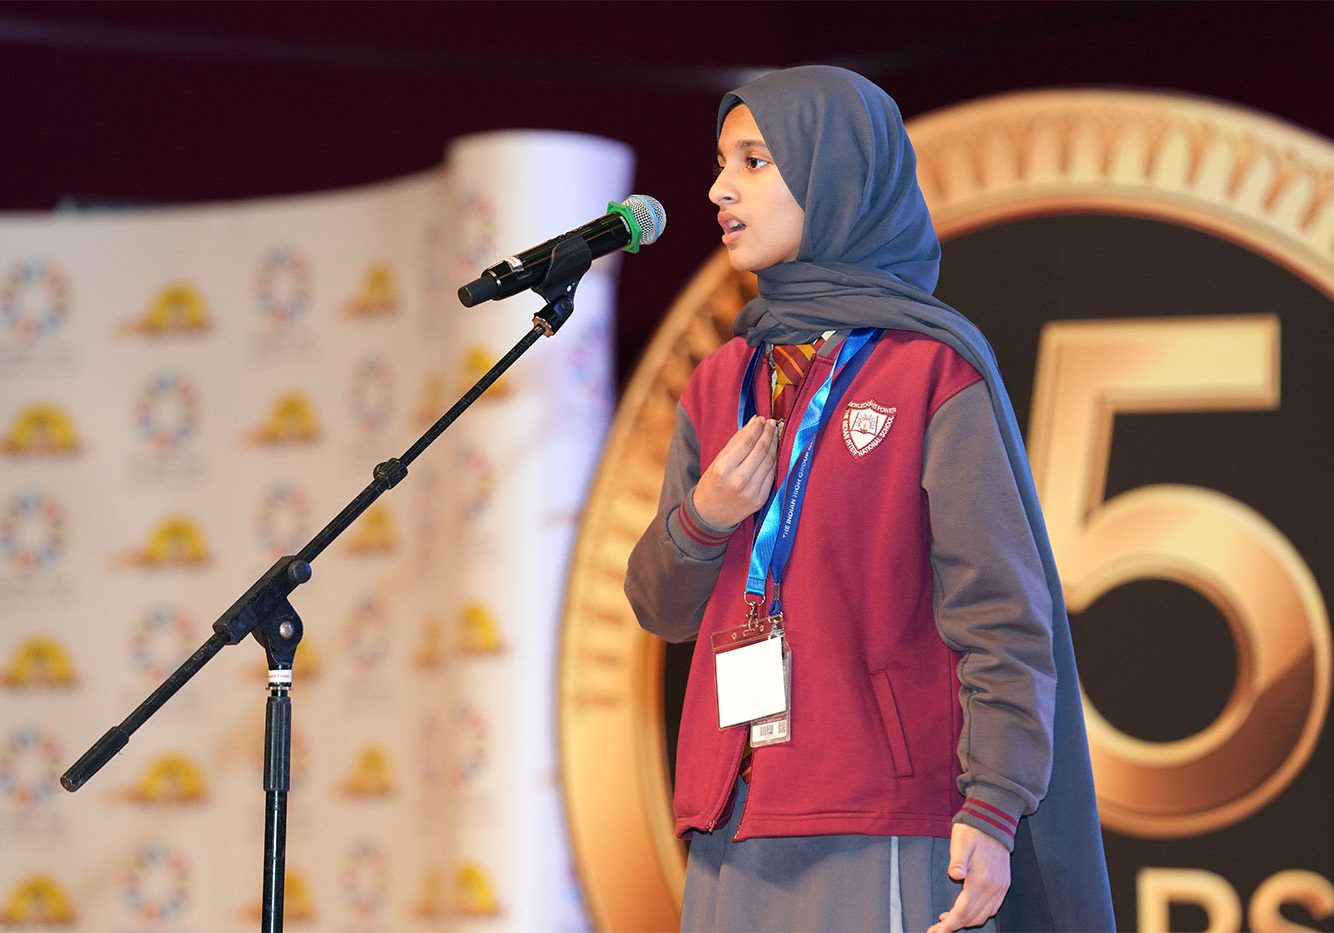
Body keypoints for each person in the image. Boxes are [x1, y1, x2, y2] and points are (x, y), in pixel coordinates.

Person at [625, 65, 1115, 932]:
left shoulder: (931, 369)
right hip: (729, 818)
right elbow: (659, 607)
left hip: (881, 816)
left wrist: (995, 804)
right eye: (720, 162)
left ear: (834, 175)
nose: (718, 188)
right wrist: (705, 516)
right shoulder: (718, 381)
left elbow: (1001, 613)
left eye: (753, 161)